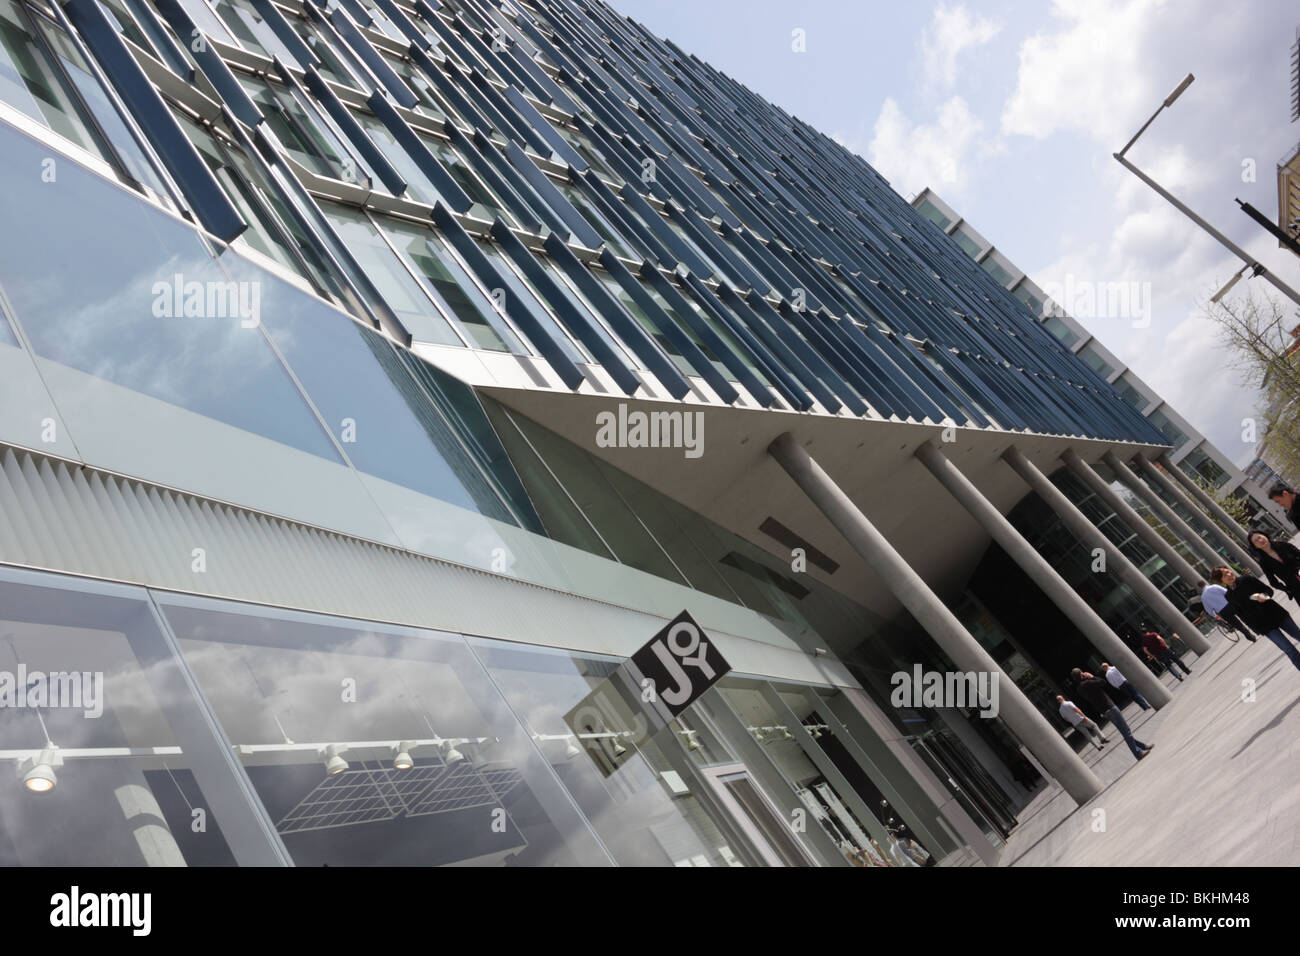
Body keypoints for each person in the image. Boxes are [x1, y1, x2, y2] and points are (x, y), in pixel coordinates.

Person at [1209, 565, 1300, 671]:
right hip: (1264, 626)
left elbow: (1268, 591)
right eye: (1225, 575)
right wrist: (1255, 629)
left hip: (1277, 614)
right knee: (1289, 649)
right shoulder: (1228, 595)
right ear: (1221, 580)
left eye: (1228, 571)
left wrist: (1263, 596)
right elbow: (1241, 615)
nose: (1229, 574)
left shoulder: (1247, 579)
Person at [1071, 668, 1153, 760]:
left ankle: (1143, 746)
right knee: (1126, 731)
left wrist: (1087, 678)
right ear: (1081, 674)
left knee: (1124, 730)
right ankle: (1138, 753)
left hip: (1104, 711)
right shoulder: (1088, 683)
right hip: (1110, 707)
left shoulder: (1079, 689)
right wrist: (1092, 676)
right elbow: (1102, 682)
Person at [1246, 532, 1300, 603]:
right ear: (1255, 546)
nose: (1260, 540)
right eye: (1256, 541)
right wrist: (1287, 589)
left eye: (1259, 537)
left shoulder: (1282, 545)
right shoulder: (1264, 562)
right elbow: (1273, 582)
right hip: (1296, 588)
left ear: (1265, 536)